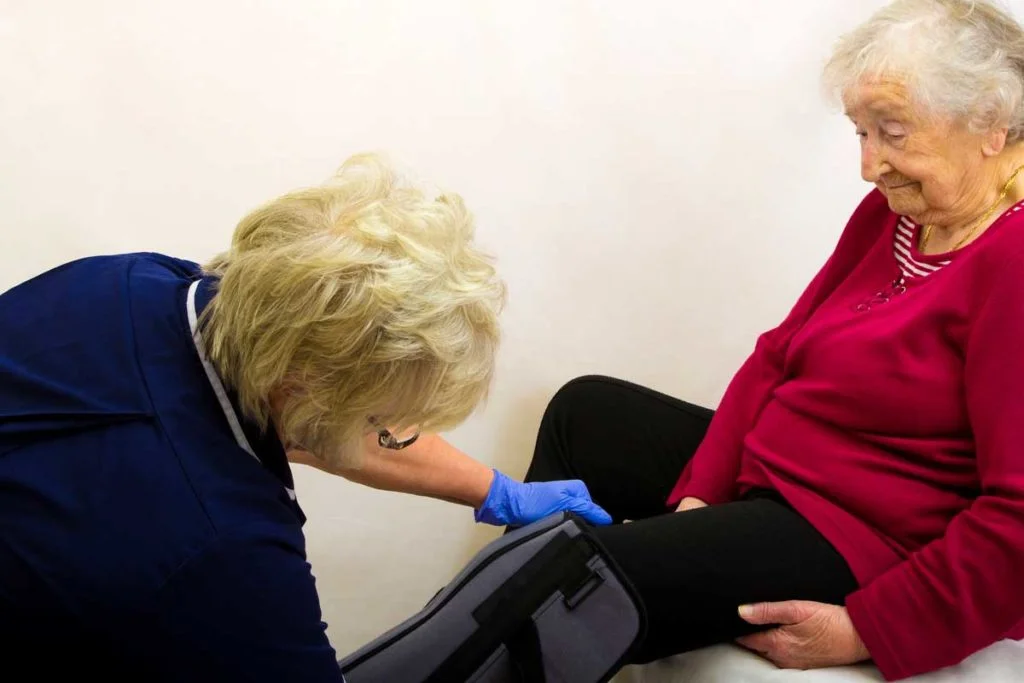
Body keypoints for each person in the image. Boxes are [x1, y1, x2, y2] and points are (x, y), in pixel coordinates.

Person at [522, 1, 1024, 680]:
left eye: (893, 133)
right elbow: (779, 356)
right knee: (584, 414)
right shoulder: (894, 215)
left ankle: (494, 636)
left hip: (864, 529)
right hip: (786, 473)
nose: (870, 165)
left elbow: (1017, 517)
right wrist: (698, 498)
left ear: (991, 125)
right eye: (861, 133)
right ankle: (501, 618)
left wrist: (867, 628)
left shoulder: (1012, 260)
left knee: (577, 583)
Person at [0, 154, 610, 680]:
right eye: (386, 420)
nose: (393, 435)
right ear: (304, 390)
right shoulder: (231, 555)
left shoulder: (131, 282)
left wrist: (499, 492)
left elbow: (303, 418)